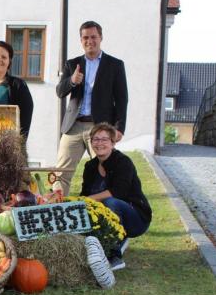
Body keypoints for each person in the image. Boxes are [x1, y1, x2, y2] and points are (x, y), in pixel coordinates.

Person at [53, 20, 128, 196]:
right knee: (60, 174)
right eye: (85, 37)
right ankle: (56, 211)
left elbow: (122, 99)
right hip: (73, 126)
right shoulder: (72, 64)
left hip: (100, 127)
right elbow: (59, 91)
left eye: (93, 37)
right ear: (81, 40)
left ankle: (102, 215)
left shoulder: (115, 65)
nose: (89, 41)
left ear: (100, 38)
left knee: (103, 172)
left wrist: (119, 127)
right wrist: (72, 81)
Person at [80, 123, 151, 271]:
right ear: (91, 142)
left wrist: (89, 199)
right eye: (96, 139)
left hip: (135, 217)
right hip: (106, 217)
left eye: (104, 139)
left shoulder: (123, 162)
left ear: (113, 142)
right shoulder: (90, 166)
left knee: (111, 202)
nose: (99, 143)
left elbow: (119, 192)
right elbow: (85, 196)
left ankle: (114, 256)